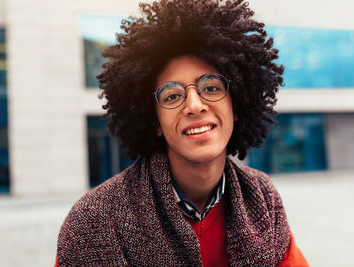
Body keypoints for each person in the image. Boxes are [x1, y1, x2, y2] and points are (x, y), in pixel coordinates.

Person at [56, 0, 309, 266]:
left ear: (236, 106)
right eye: (173, 95)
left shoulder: (263, 199)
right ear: (154, 121)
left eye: (211, 88)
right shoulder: (93, 222)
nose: (194, 106)